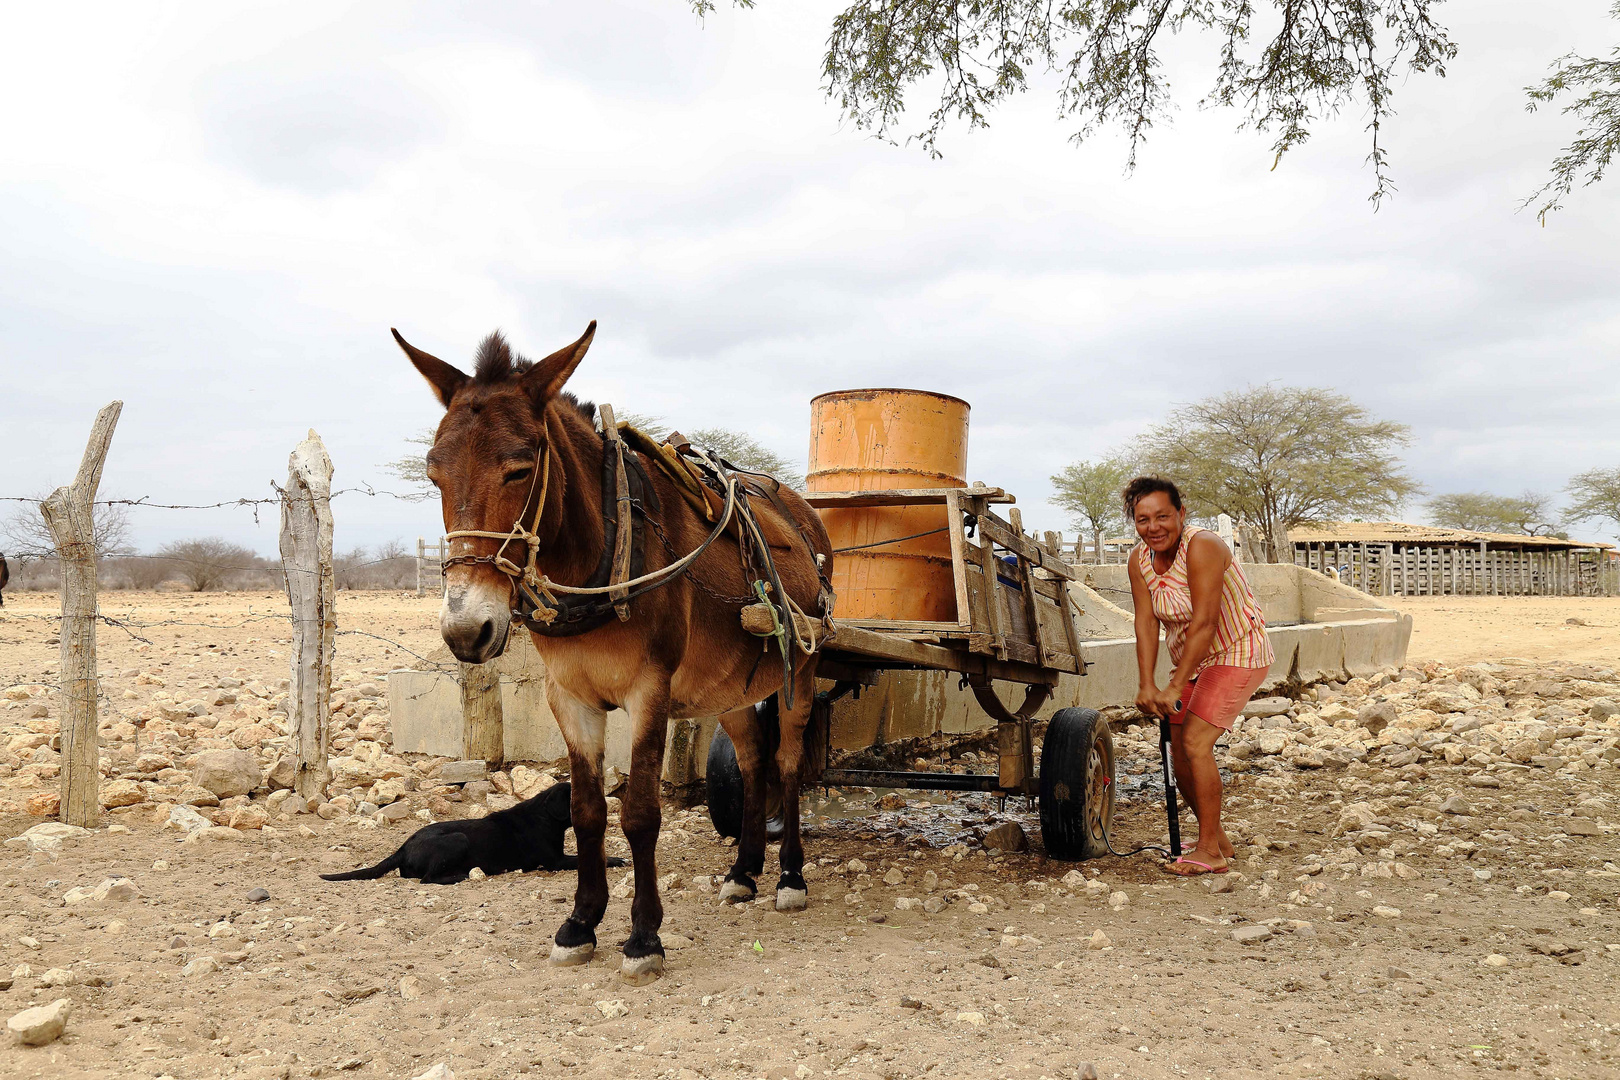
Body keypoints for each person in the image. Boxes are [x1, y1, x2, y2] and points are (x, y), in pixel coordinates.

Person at [1125, 477, 1273, 876]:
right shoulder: (1139, 561)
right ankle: (1217, 836)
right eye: (1143, 519)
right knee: (1177, 744)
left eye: (1162, 516)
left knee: (1195, 741)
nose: (1153, 527)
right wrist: (1146, 684)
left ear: (1181, 514)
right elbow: (1144, 623)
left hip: (1237, 650)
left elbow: (1205, 622)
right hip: (1192, 661)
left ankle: (1210, 852)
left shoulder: (1203, 545)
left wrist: (1174, 684)